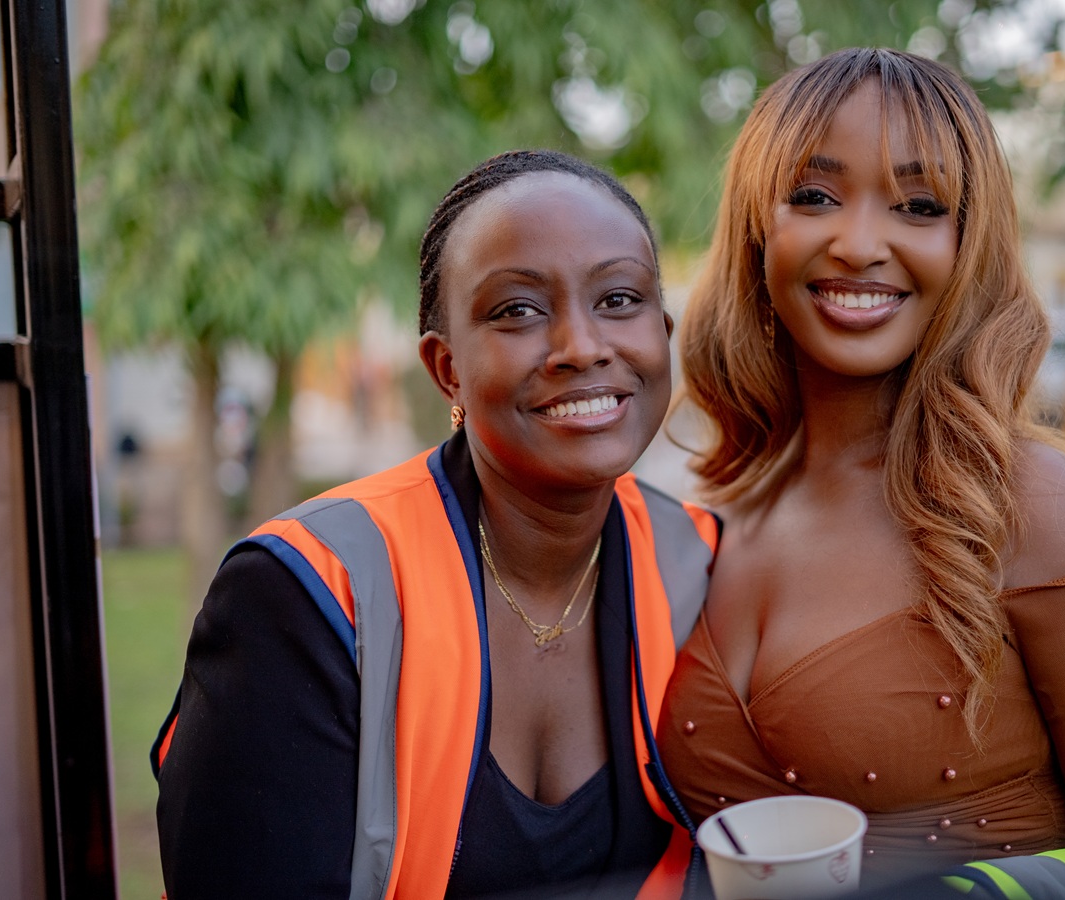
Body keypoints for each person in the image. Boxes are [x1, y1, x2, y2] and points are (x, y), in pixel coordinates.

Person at [658, 48, 1065, 899]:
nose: (860, 244)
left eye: (919, 206)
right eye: (814, 196)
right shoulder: (719, 507)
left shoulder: (1037, 507)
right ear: (756, 227)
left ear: (970, 243)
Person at [152, 149, 719, 900]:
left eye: (619, 299)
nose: (583, 347)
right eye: (517, 310)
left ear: (662, 333)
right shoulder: (309, 593)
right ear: (446, 368)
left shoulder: (701, 565)